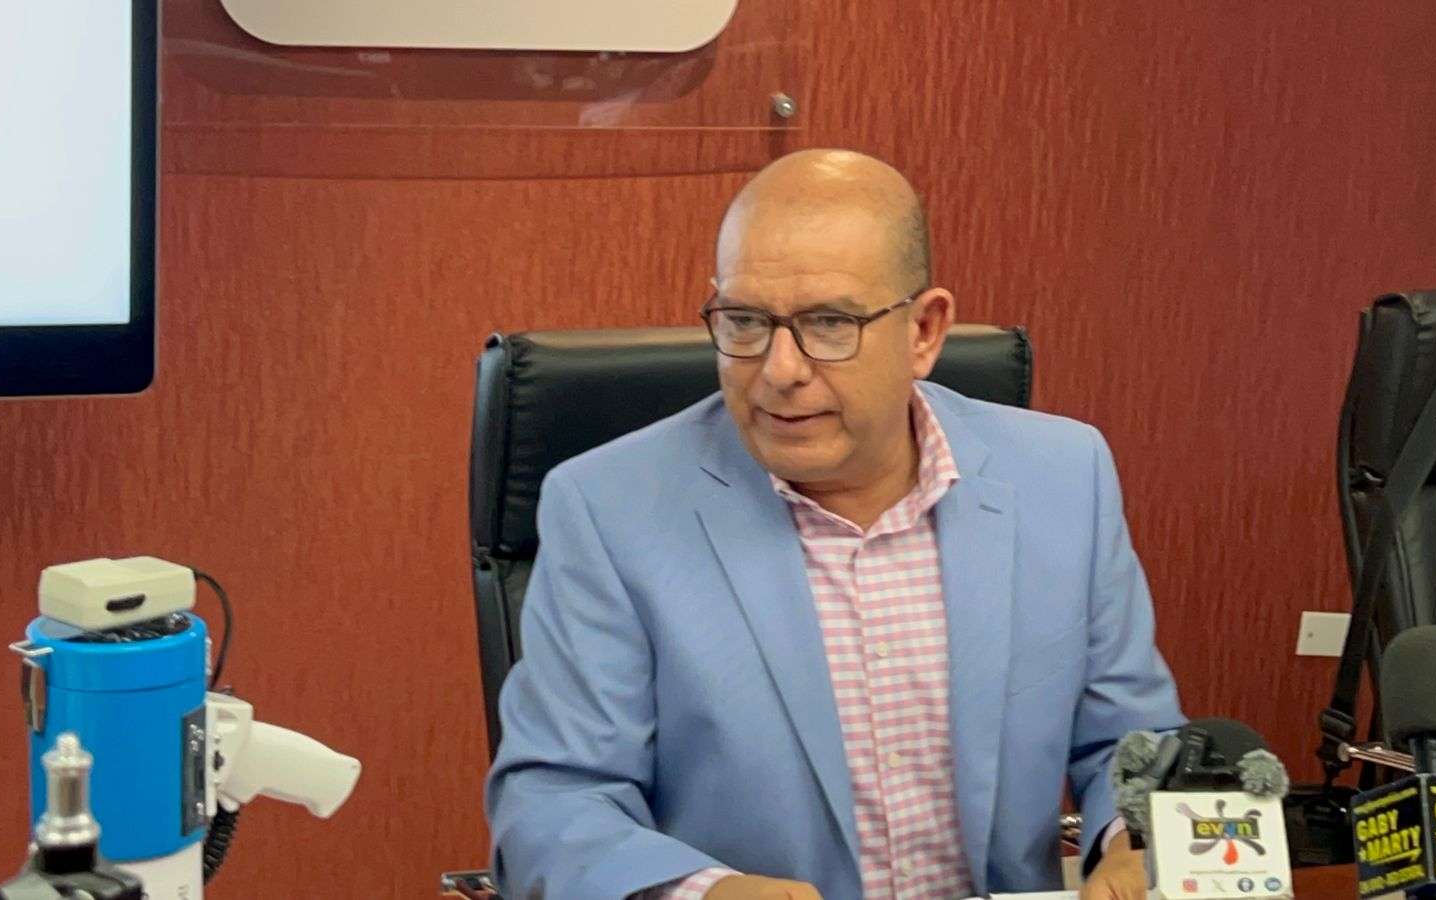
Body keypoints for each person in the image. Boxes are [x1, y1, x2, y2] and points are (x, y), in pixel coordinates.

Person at [484, 148, 1184, 900]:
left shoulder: (1063, 476)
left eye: (828, 323)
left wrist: (1134, 846)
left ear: (924, 331)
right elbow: (553, 804)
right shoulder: (608, 509)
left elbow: (1131, 742)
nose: (780, 369)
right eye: (745, 321)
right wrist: (703, 891)